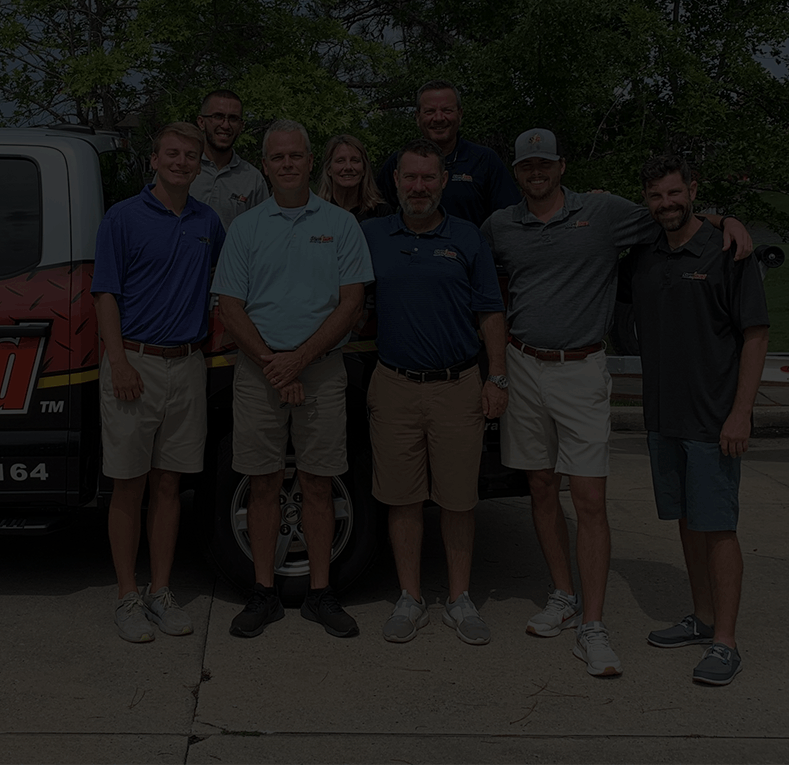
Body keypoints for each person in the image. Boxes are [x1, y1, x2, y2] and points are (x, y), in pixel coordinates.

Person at [480, 128, 753, 678]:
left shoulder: (602, 212)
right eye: (526, 165)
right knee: (538, 487)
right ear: (518, 172)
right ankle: (564, 595)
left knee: (589, 500)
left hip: (581, 369)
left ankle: (594, 625)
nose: (537, 172)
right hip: (523, 365)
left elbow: (673, 213)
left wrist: (727, 220)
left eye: (545, 163)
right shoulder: (499, 226)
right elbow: (476, 278)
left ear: (561, 166)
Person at [211, 119, 375, 639]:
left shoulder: (341, 225)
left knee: (318, 483)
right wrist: (273, 363)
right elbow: (229, 306)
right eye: (277, 157)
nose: (287, 164)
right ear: (265, 165)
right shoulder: (246, 227)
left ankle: (322, 594)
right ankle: (262, 593)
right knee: (261, 484)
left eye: (296, 156)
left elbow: (352, 304)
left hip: (322, 371)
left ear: (311, 163)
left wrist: (299, 360)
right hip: (259, 372)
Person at [623, 154, 768, 687]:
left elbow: (756, 336)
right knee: (686, 521)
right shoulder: (644, 257)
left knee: (718, 527)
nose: (666, 203)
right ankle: (702, 618)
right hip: (664, 416)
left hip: (714, 421)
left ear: (692, 190)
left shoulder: (729, 252)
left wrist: (740, 414)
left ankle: (725, 642)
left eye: (674, 193)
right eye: (657, 196)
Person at [360, 138, 509, 646]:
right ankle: (410, 597)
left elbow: (490, 312)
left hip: (457, 386)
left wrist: (497, 377)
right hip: (394, 384)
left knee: (458, 500)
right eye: (410, 177)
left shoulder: (467, 238)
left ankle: (460, 600)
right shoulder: (370, 235)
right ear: (395, 182)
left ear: (443, 182)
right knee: (401, 500)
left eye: (428, 178)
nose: (418, 187)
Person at [92, 122, 226, 643]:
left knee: (170, 485)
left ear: (199, 164)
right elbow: (106, 295)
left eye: (190, 155)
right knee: (129, 484)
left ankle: (160, 591)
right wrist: (119, 362)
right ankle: (127, 595)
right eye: (172, 153)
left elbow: (223, 286)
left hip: (187, 365)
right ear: (154, 160)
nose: (182, 162)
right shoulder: (122, 218)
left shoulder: (207, 221)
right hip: (135, 364)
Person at [374, 80, 521, 225]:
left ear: (460, 114)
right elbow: (376, 213)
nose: (438, 118)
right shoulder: (399, 161)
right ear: (418, 117)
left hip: (472, 248)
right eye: (430, 111)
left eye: (447, 110)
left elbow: (510, 219)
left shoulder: (485, 161)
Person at [190, 89, 271, 230]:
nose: (225, 125)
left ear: (241, 126)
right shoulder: (180, 168)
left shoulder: (252, 179)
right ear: (201, 122)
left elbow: (262, 233)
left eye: (233, 118)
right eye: (218, 116)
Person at [318, 134, 394, 222]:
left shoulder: (381, 214)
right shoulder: (316, 212)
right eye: (340, 161)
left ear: (364, 169)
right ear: (329, 169)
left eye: (355, 160)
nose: (348, 167)